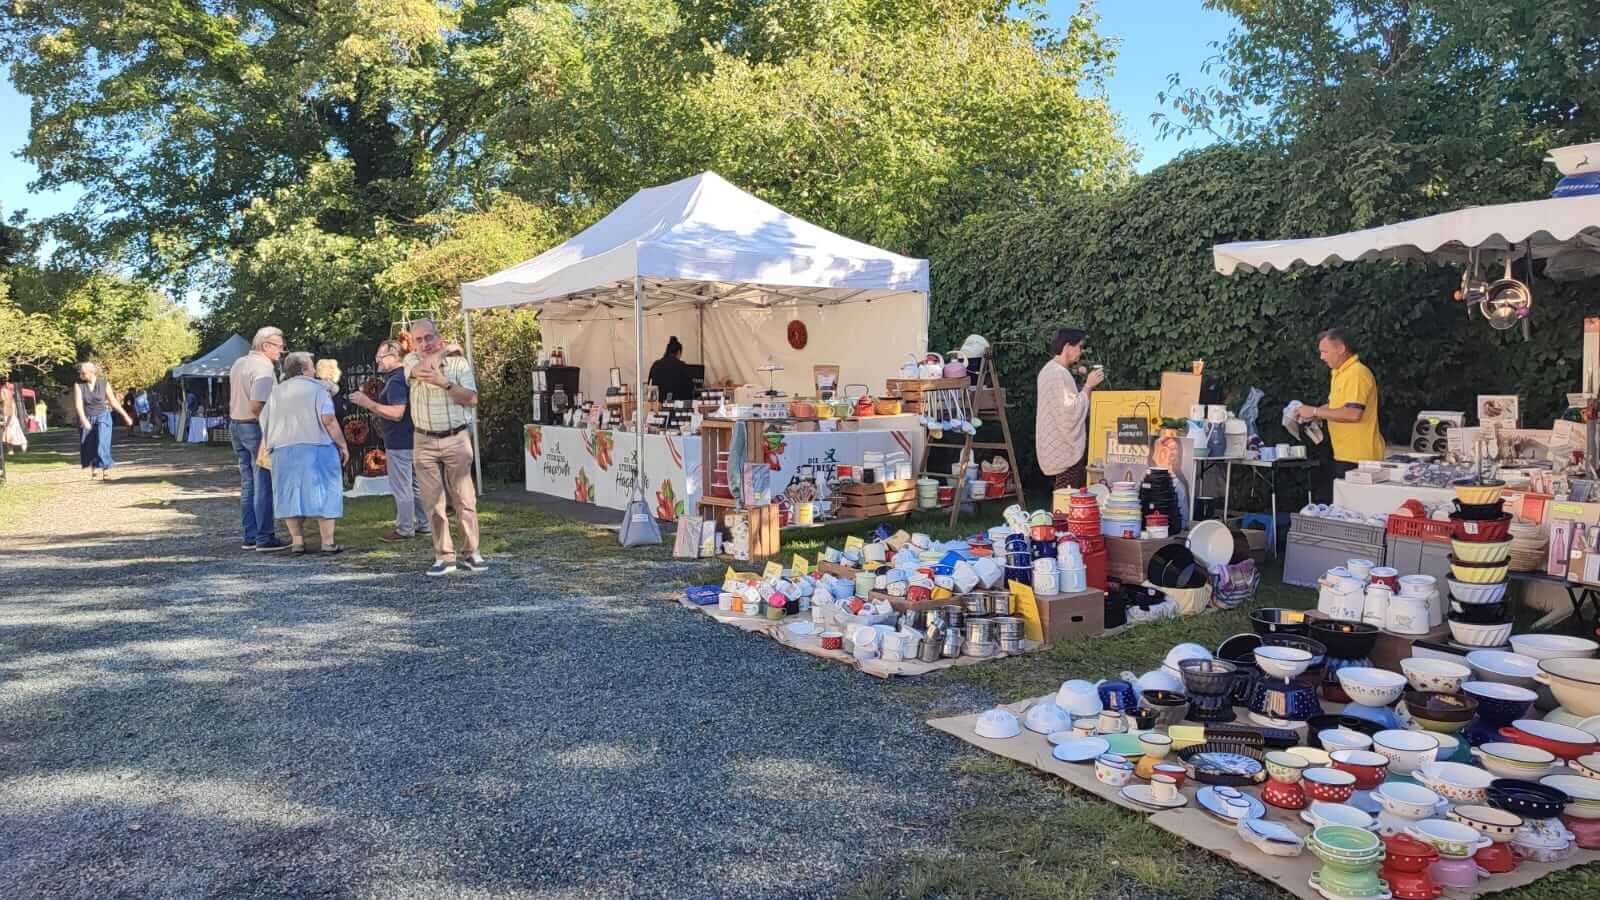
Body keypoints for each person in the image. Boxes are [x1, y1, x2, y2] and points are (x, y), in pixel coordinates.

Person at [406, 318, 483, 576]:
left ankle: (471, 552)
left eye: (429, 337)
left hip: (455, 438)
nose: (424, 343)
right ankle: (444, 556)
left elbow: (472, 399)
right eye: (418, 339)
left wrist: (445, 383)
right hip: (424, 440)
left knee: (465, 498)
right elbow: (422, 370)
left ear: (438, 336)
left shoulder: (459, 364)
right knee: (433, 501)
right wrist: (446, 350)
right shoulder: (410, 361)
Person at [263, 352, 350, 554]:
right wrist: (342, 444)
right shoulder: (318, 389)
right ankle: (327, 542)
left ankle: (297, 541)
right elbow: (328, 419)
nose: (314, 370)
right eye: (311, 366)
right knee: (325, 492)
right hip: (317, 445)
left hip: (283, 448)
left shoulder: (275, 392)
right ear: (303, 369)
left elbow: (265, 421)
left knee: (289, 494)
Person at [348, 339, 429, 542]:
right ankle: (425, 524)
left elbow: (397, 413)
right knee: (417, 485)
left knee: (402, 487)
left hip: (399, 442)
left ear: (393, 357)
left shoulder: (396, 382)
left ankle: (405, 528)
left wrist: (368, 403)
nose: (377, 361)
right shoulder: (406, 378)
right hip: (415, 438)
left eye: (380, 357)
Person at [229, 327, 291, 552]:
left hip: (236, 424)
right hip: (255, 427)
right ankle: (265, 536)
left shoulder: (239, 363)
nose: (281, 351)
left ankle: (251, 535)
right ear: (266, 346)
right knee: (263, 482)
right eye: (279, 347)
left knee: (248, 483)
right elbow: (257, 405)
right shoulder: (264, 368)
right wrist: (270, 428)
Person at [1296, 328, 1386, 479]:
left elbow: (1353, 413)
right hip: (1345, 454)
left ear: (1341, 349)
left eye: (1325, 352)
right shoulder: (1339, 374)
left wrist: (1315, 411)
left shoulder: (1357, 373)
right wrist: (1312, 414)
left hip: (1361, 458)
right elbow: (1336, 407)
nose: (1321, 357)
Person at [1035, 327, 1105, 490]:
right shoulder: (1058, 373)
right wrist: (1088, 386)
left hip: (1054, 447)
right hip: (1063, 450)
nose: (1081, 351)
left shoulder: (1049, 370)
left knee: (1064, 496)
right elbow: (1069, 412)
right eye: (1079, 346)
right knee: (1066, 498)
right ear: (1067, 346)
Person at [72, 362, 133, 479]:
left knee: (102, 443)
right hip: (87, 417)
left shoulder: (103, 383)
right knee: (90, 445)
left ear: (92, 373)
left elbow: (113, 401)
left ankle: (106, 469)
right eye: (80, 372)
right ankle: (95, 466)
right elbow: (78, 404)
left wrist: (125, 416)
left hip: (103, 416)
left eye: (83, 373)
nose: (81, 375)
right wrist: (83, 419)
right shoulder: (78, 385)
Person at [645, 336, 696, 403]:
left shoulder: (656, 365)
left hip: (659, 405)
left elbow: (650, 386)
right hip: (678, 406)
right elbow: (691, 388)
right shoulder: (682, 366)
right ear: (678, 352)